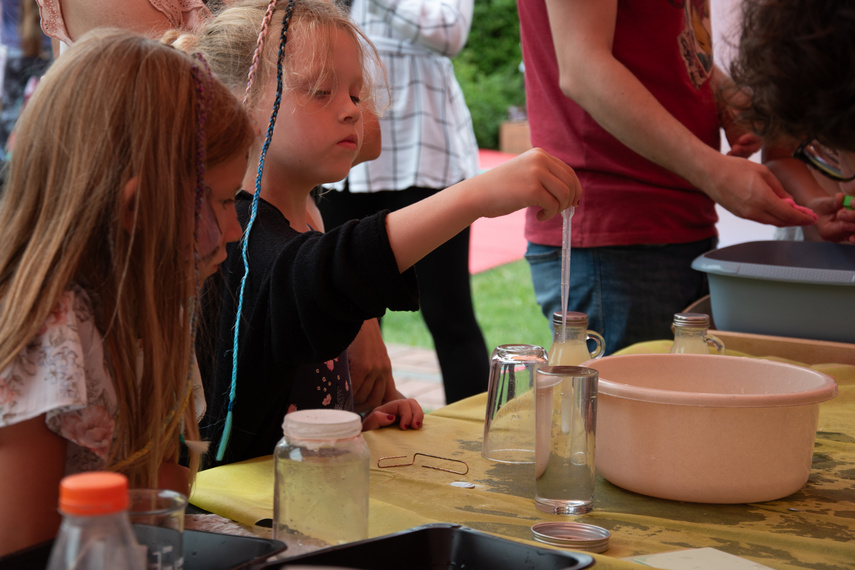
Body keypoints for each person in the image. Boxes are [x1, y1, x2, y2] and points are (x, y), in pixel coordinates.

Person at [178, 0, 581, 466]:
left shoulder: (306, 217)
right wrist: (477, 196)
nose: (351, 110)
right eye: (322, 91)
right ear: (240, 101)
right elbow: (322, 272)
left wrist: (354, 416)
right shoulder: (239, 239)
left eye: (355, 92)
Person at [0, 29, 254, 556]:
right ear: (137, 208)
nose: (235, 230)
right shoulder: (49, 332)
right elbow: (24, 550)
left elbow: (157, 478)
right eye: (227, 203)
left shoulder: (139, 307)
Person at [516, 0, 817, 354]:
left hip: (672, 225)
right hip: (615, 235)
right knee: (630, 407)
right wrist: (715, 172)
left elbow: (668, 44)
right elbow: (582, 68)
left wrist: (728, 99)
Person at [317, 0, 489, 405]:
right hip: (346, 162)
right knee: (343, 320)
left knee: (450, 316)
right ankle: (343, 438)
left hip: (427, 155)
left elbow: (450, 30)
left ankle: (479, 445)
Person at [729, 0, 855, 239]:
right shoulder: (802, 72)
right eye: (830, 150)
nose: (848, 189)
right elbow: (779, 155)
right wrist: (815, 201)